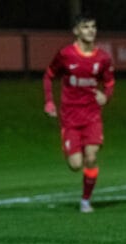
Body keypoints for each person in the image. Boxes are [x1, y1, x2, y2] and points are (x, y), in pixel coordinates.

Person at [43, 13, 115, 213]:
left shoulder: (103, 58)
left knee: (91, 158)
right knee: (75, 165)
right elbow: (48, 76)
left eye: (93, 26)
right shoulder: (66, 55)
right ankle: (78, 163)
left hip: (92, 117)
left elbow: (109, 82)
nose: (90, 30)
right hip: (70, 119)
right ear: (76, 31)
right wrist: (49, 102)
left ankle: (85, 200)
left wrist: (106, 96)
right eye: (85, 27)